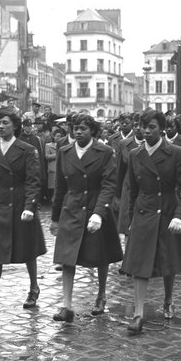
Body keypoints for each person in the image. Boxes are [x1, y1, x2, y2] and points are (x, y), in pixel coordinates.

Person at [122, 109, 181, 334]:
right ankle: (138, 313)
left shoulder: (176, 153)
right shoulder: (135, 154)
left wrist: (180, 216)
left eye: (151, 127)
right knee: (139, 265)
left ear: (161, 129)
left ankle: (168, 298)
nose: (146, 131)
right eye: (143, 126)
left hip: (168, 212)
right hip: (144, 213)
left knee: (168, 260)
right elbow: (132, 191)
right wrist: (129, 220)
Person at [0, 106, 47, 319]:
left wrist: (30, 206)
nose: (0, 126)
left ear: (15, 126)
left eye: (5, 123)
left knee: (28, 249)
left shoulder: (26, 150)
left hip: (20, 205)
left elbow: (34, 180)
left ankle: (34, 287)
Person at [50, 113, 122, 323]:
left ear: (93, 131)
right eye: (75, 128)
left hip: (95, 208)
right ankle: (67, 305)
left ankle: (101, 295)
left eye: (83, 128)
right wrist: (55, 217)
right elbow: (60, 186)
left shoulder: (105, 152)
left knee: (101, 255)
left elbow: (109, 184)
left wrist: (99, 213)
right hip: (71, 209)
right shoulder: (64, 152)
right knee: (67, 257)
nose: (78, 132)